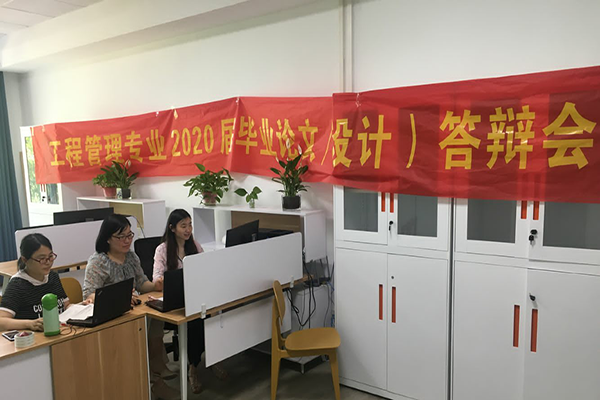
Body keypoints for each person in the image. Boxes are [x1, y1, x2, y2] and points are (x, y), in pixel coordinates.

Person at [82, 214, 176, 399]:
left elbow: (141, 283)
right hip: (112, 319)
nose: (127, 241)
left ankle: (155, 371)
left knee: (157, 317)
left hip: (132, 313)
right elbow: (89, 295)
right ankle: (155, 376)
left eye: (129, 235)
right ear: (108, 238)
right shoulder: (98, 262)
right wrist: (120, 298)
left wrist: (155, 285)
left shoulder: (131, 257)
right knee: (144, 329)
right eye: (121, 237)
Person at [152, 209, 227, 395]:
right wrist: (164, 280)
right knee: (196, 322)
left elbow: (206, 268)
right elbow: (156, 279)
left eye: (190, 225)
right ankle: (193, 368)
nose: (188, 230)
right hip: (175, 303)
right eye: (183, 226)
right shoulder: (162, 250)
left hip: (196, 296)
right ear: (172, 228)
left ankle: (212, 358)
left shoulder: (194, 245)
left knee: (215, 315)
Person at [0, 233, 70, 331]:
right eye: (41, 259)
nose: (48, 262)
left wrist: (80, 307)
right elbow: (1, 321)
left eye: (50, 256)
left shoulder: (52, 277)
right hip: (35, 337)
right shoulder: (18, 285)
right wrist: (30, 324)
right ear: (25, 260)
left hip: (60, 332)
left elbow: (65, 305)